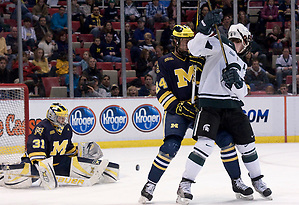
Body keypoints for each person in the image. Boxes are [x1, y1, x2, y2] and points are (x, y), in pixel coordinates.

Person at [175, 11, 272, 203]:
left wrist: (236, 84)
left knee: (248, 145)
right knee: (204, 145)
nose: (238, 45)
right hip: (210, 105)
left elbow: (242, 93)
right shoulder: (218, 45)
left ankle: (257, 180)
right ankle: (185, 183)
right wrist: (202, 28)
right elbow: (194, 49)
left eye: (239, 41)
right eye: (236, 40)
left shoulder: (242, 64)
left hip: (233, 107)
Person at [138, 25, 205, 204]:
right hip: (178, 111)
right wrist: (179, 107)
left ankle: (238, 181)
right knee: (170, 147)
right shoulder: (165, 61)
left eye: (190, 40)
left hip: (199, 109)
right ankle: (150, 185)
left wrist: (204, 67)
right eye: (184, 41)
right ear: (175, 41)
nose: (187, 44)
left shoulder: (200, 58)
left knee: (223, 138)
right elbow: (162, 91)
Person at [2, 103, 118, 189]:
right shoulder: (42, 127)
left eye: (64, 117)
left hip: (58, 162)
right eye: (60, 117)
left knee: (77, 163)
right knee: (22, 178)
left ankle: (103, 172)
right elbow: (35, 147)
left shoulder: (67, 129)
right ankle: (4, 174)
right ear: (52, 116)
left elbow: (67, 148)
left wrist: (81, 153)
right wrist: (41, 165)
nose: (63, 120)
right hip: (38, 164)